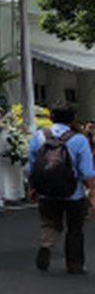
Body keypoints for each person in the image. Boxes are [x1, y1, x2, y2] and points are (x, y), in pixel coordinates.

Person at [26, 104, 95, 274]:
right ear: (72, 120)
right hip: (73, 192)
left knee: (49, 222)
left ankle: (46, 246)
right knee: (75, 228)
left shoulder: (40, 136)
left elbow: (30, 167)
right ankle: (74, 264)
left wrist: (32, 187)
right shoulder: (79, 140)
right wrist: (92, 193)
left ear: (51, 118)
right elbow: (87, 171)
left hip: (46, 190)